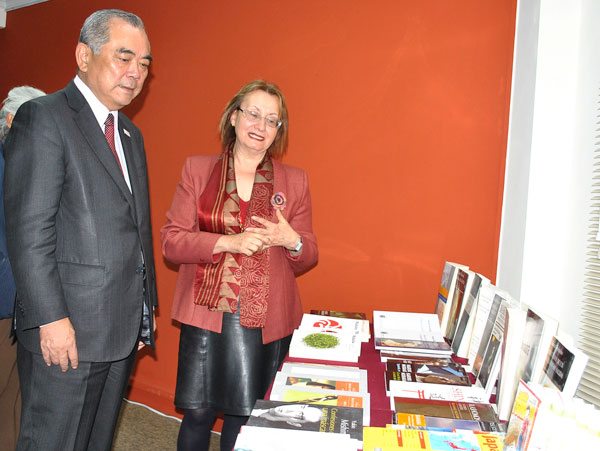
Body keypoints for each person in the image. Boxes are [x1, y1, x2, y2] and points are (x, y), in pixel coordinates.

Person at [3, 9, 157, 450]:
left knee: (95, 441)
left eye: (144, 63)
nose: (136, 72)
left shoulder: (130, 135)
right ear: (84, 56)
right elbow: (30, 232)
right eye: (124, 57)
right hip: (65, 330)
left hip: (119, 328)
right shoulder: (43, 117)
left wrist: (143, 312)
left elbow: (136, 230)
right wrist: (50, 318)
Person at [161, 79, 318, 451]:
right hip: (207, 314)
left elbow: (308, 254)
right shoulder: (198, 170)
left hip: (265, 321)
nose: (261, 126)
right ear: (233, 117)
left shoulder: (294, 181)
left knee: (245, 415)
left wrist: (291, 240)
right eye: (253, 114)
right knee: (198, 413)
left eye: (272, 120)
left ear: (278, 129)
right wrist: (227, 242)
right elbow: (171, 241)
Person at [0, 85, 45, 451]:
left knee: (15, 393)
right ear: (13, 119)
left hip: (24, 301)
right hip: (5, 299)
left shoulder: (32, 166)